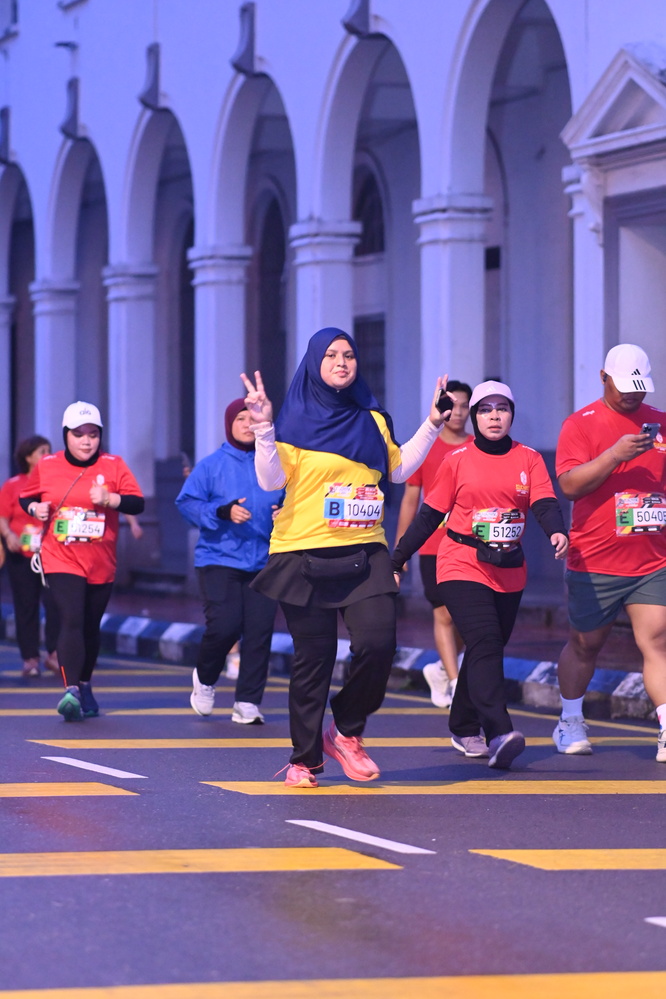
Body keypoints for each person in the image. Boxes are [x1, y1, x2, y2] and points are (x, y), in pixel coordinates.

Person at [241, 327, 452, 787]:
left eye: (349, 355)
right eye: (332, 355)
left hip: (365, 550)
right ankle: (304, 760)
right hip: (302, 550)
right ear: (315, 362)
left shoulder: (372, 420)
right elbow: (270, 481)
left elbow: (398, 468)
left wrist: (433, 424)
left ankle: (346, 731)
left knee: (379, 643)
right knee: (313, 658)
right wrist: (263, 429)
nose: (342, 362)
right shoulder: (292, 421)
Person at [392, 380, 568, 770]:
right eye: (485, 410)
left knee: (486, 647)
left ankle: (462, 725)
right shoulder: (457, 459)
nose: (494, 416)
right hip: (460, 561)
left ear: (511, 415)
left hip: (508, 568)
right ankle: (499, 731)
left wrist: (557, 530)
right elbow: (429, 515)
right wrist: (397, 557)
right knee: (485, 638)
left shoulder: (529, 458)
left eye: (501, 409)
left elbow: (544, 502)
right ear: (474, 416)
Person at [553, 344, 666, 760]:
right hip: (596, 559)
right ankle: (570, 720)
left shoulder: (661, 422)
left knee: (657, 640)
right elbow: (569, 485)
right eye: (624, 387)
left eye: (640, 388)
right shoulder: (579, 424)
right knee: (586, 644)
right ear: (603, 378)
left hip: (652, 558)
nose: (633, 395)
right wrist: (614, 455)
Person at [19, 401, 144, 720]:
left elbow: (137, 503)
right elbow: (26, 495)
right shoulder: (47, 464)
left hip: (100, 560)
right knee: (71, 617)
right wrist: (35, 509)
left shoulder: (114, 465)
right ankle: (71, 690)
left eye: (93, 434)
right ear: (66, 435)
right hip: (60, 556)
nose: (86, 441)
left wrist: (110, 499)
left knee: (90, 625)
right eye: (78, 434)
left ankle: (85, 683)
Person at [175, 398, 283, 724]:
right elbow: (186, 504)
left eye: (253, 419)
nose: (248, 425)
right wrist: (222, 511)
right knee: (225, 626)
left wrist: (285, 512)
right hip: (219, 558)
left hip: (265, 559)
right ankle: (205, 678)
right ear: (229, 424)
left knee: (260, 632)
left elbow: (294, 497)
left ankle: (248, 702)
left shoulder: (276, 461)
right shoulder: (211, 465)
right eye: (240, 419)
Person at [393, 380, 472, 707]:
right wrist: (401, 550)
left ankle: (440, 669)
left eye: (464, 406)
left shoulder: (479, 446)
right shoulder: (426, 447)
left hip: (470, 547)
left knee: (468, 619)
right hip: (433, 547)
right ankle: (455, 684)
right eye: (452, 405)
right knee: (444, 615)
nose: (458, 412)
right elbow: (411, 500)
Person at [0, 436, 60, 677]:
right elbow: (2, 516)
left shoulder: (56, 482)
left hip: (52, 553)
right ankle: (30, 658)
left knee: (56, 603)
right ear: (28, 457)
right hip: (22, 554)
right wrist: (8, 536)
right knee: (26, 606)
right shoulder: (13, 485)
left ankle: (54, 654)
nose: (47, 454)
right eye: (41, 451)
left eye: (49, 450)